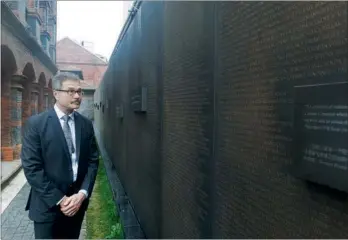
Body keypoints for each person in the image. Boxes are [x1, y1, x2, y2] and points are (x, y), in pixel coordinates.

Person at [21, 72, 99, 239]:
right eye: (71, 91)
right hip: (47, 207)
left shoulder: (85, 124)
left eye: (79, 91)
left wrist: (82, 194)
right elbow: (32, 168)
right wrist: (62, 200)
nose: (77, 96)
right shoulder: (36, 124)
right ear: (55, 93)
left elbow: (93, 161)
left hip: (76, 206)